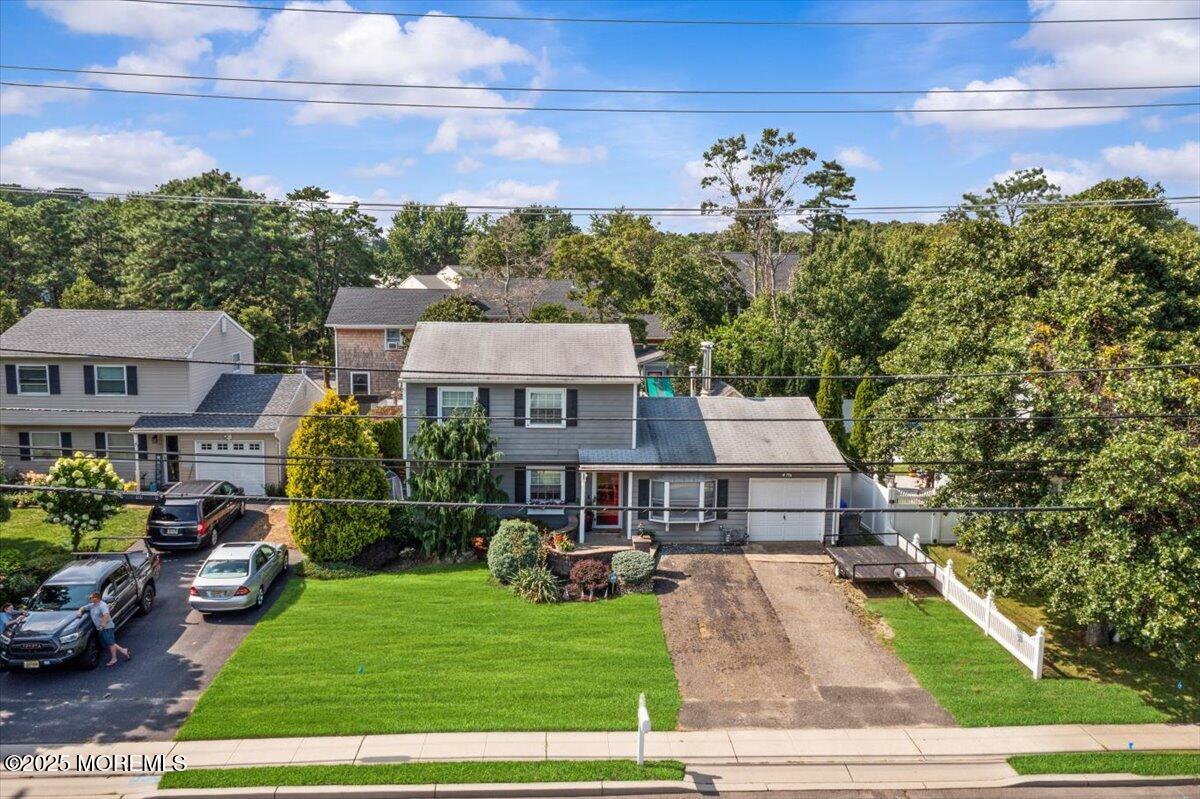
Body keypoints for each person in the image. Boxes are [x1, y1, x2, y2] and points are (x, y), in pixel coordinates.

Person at [77, 592, 131, 666]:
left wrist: (103, 624)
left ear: (96, 598)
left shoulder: (102, 605)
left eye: (91, 598)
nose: (89, 599)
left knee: (111, 643)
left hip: (107, 627)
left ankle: (114, 659)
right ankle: (124, 651)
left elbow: (106, 615)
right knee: (109, 643)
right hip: (101, 628)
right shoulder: (93, 605)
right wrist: (79, 612)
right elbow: (83, 608)